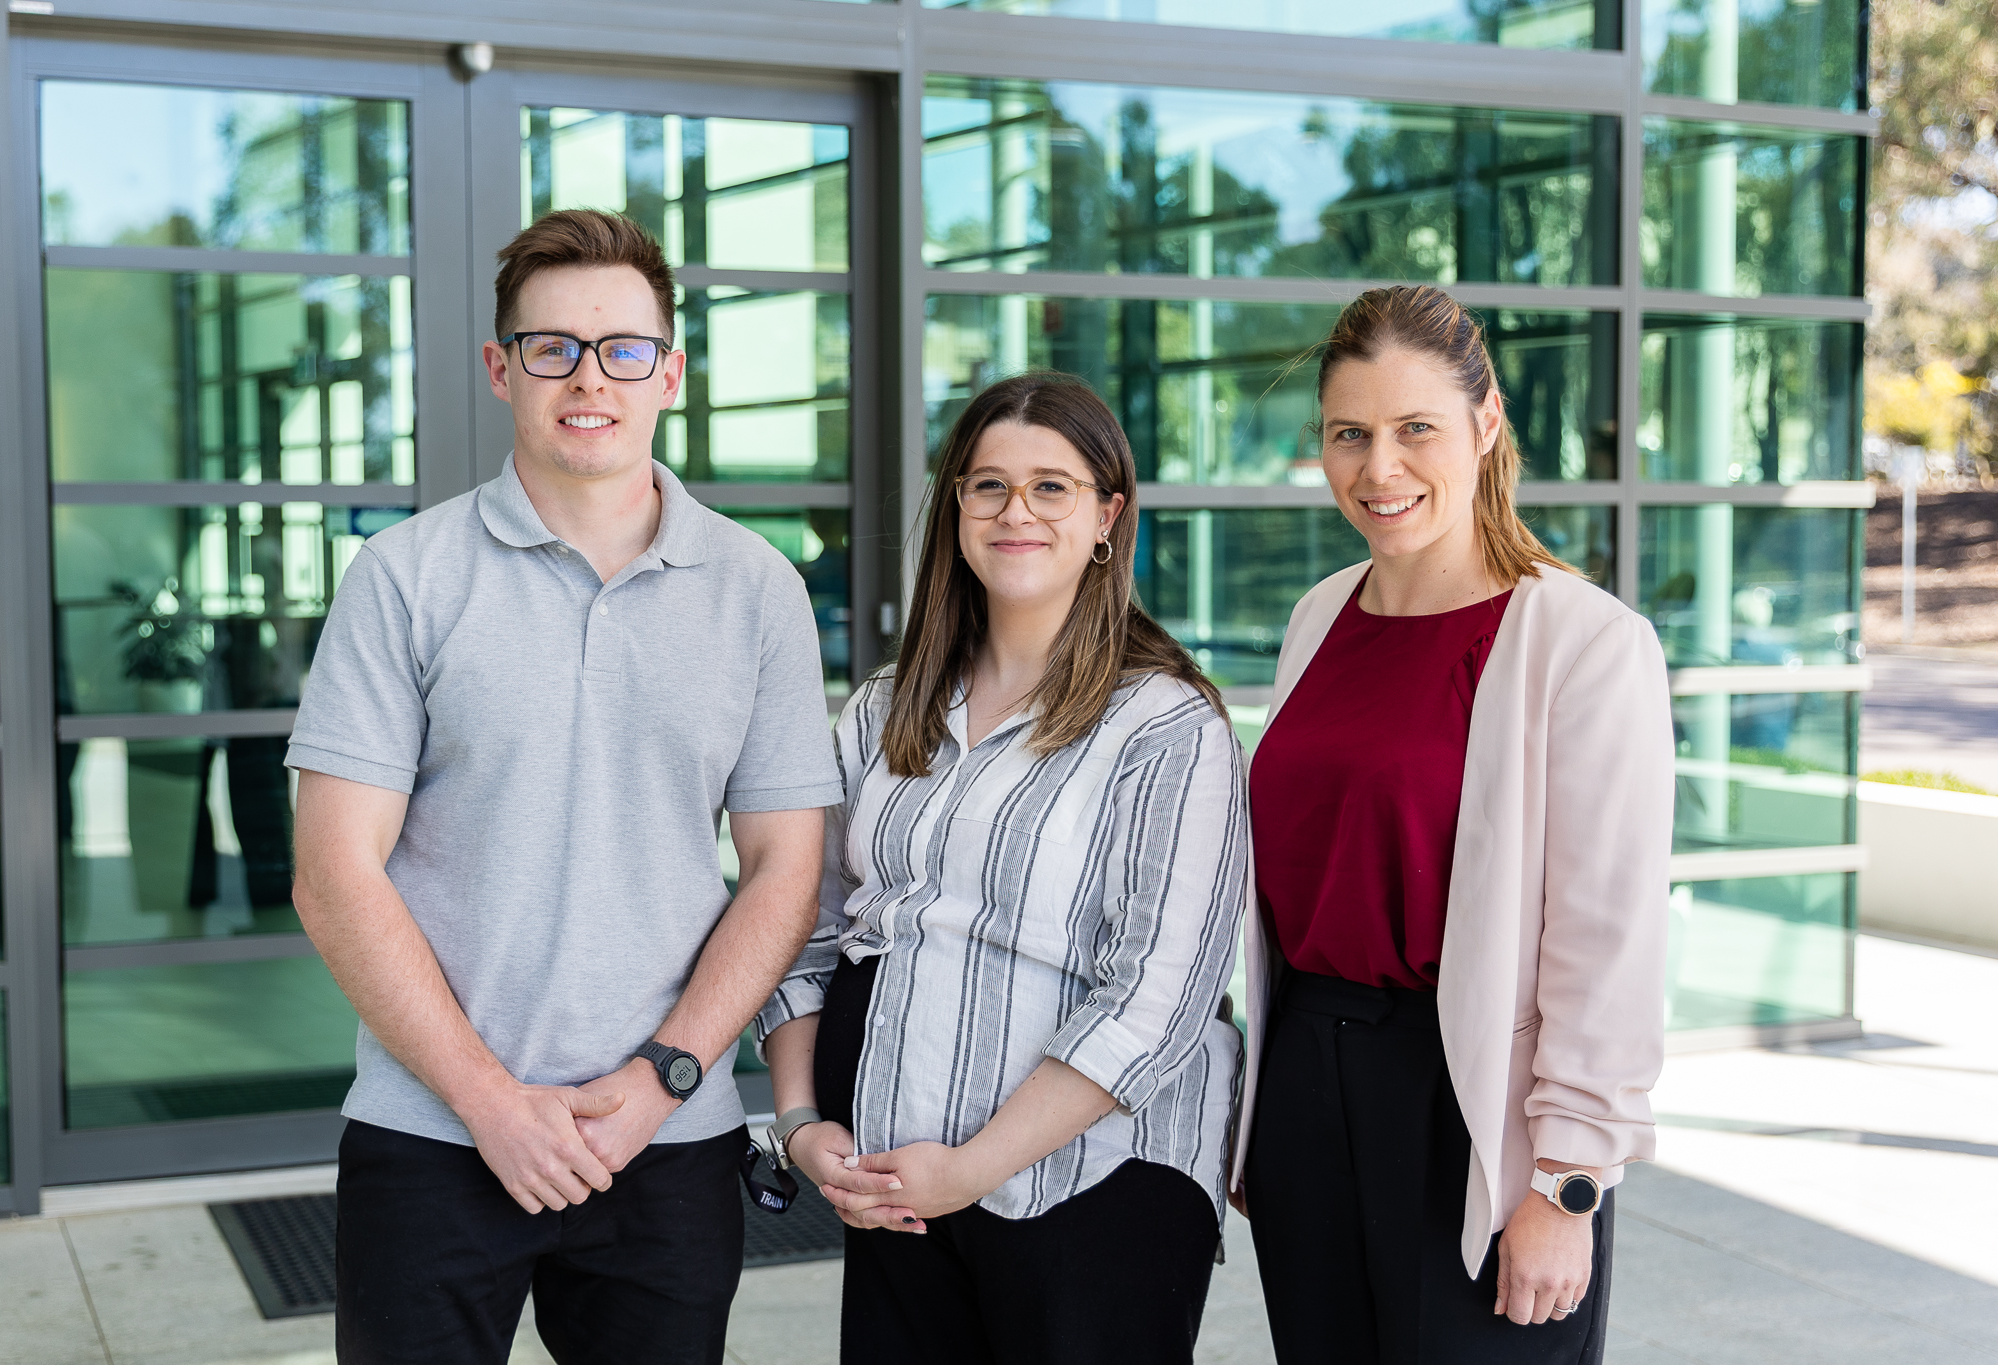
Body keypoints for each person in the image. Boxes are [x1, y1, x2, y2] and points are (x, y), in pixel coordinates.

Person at [287, 209, 841, 1364]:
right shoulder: (403, 577)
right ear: (502, 369)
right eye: (553, 348)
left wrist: (662, 1078)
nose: (589, 378)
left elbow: (786, 870)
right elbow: (334, 873)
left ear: (669, 375)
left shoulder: (757, 589)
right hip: (432, 1134)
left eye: (623, 349)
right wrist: (489, 1102)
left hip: (667, 1140)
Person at [755, 372, 1248, 1365]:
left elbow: (1156, 998)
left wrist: (973, 1168)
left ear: (1107, 515)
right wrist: (801, 1122)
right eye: (988, 485)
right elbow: (803, 925)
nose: (1015, 511)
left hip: (1094, 1183)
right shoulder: (884, 708)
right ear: (956, 508)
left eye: (1050, 487)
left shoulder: (1165, 725)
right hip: (893, 1178)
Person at [1235, 284, 1673, 1363]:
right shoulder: (1319, 615)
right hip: (1306, 1088)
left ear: (1484, 425)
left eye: (1414, 429)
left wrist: (1567, 1182)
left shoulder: (1582, 640)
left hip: (1475, 1109)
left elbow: (1606, 938)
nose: (1378, 468)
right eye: (1349, 434)